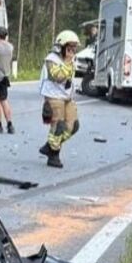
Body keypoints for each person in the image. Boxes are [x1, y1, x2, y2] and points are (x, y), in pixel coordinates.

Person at [40, 30, 80, 168]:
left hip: (67, 97)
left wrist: (69, 61)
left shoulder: (70, 58)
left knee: (73, 126)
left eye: (74, 48)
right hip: (54, 96)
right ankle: (54, 155)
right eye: (69, 47)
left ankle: (50, 146)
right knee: (58, 127)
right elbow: (58, 77)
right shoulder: (51, 59)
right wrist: (68, 61)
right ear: (61, 46)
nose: (72, 50)